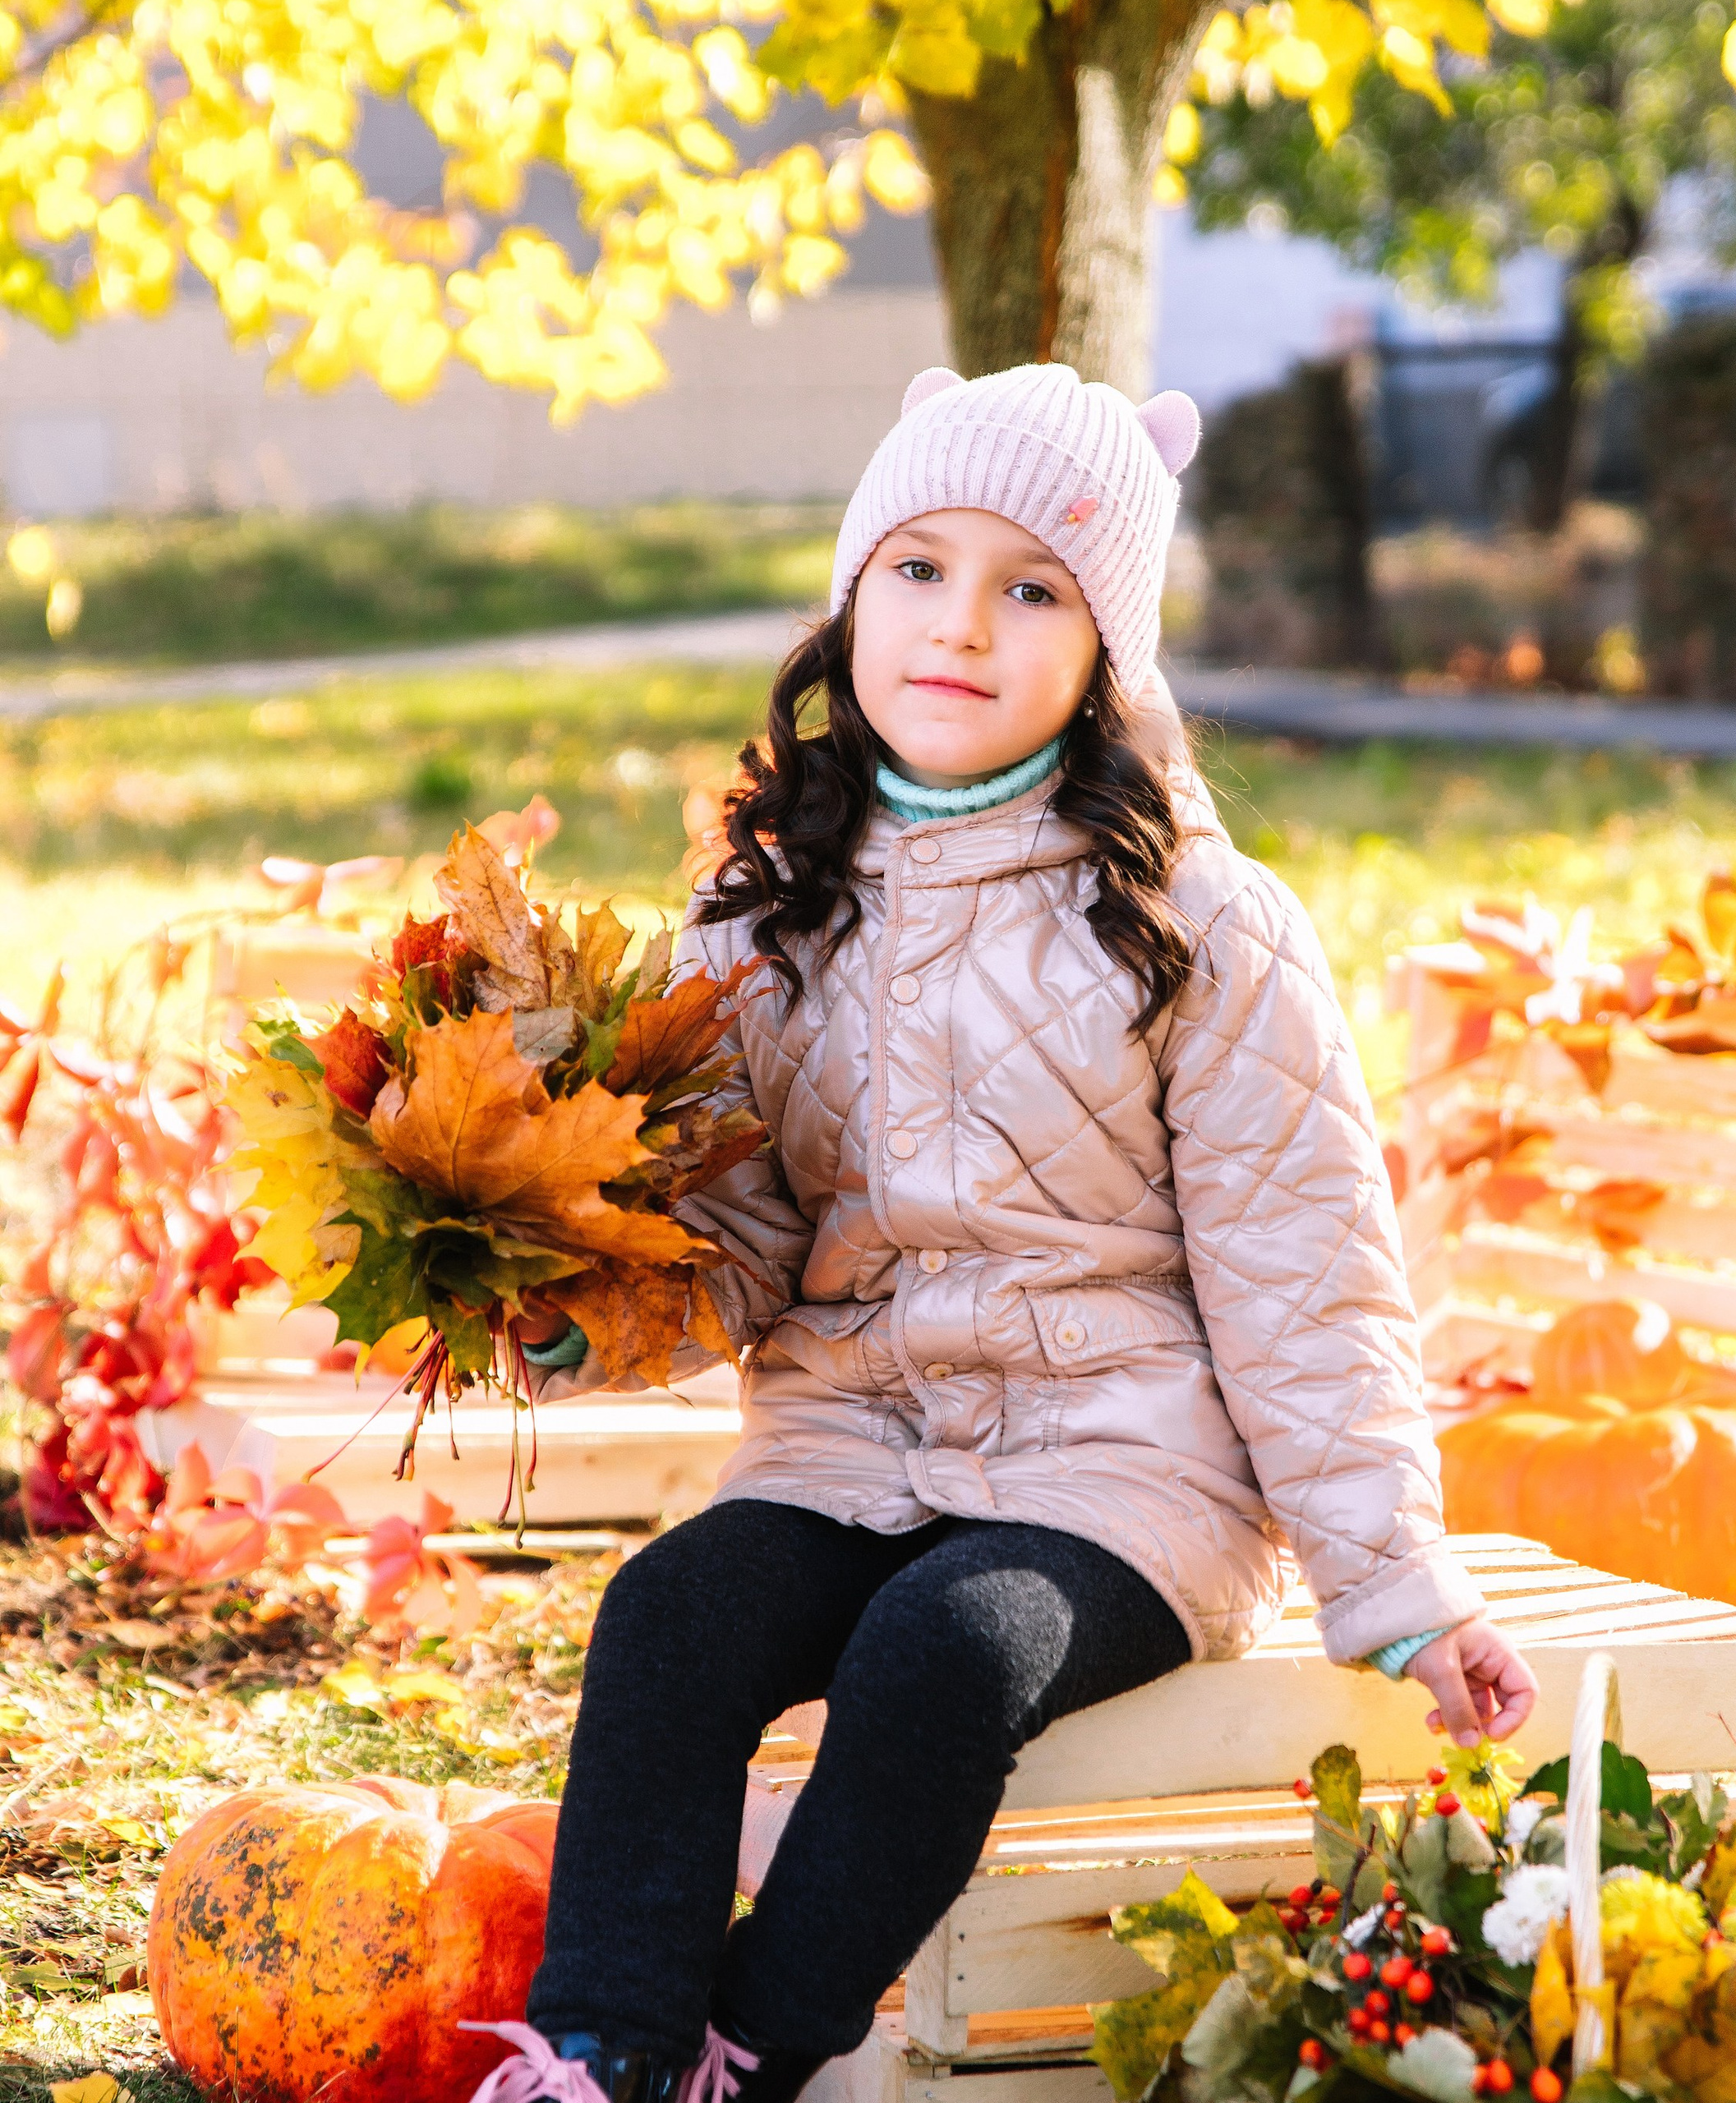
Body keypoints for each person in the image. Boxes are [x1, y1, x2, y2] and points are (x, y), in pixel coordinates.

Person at [467, 364, 1539, 2103]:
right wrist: (582, 1311)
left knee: (940, 1650)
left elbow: (1305, 1279)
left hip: (1119, 1472)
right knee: (667, 1611)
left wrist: (1396, 1592)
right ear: (846, 602)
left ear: (1104, 651)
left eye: (1029, 587)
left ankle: (756, 2040)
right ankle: (603, 2049)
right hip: (849, 1438)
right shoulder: (754, 920)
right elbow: (728, 1239)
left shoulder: (1198, 921)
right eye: (917, 568)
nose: (959, 625)